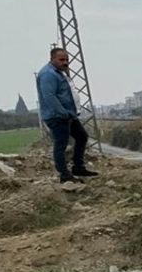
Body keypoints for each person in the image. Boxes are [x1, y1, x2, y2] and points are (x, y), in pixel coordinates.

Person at [36, 47, 97, 183]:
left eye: (67, 60)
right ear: (52, 59)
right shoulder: (48, 74)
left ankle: (78, 167)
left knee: (82, 136)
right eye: (61, 59)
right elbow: (49, 96)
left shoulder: (59, 73)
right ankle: (64, 175)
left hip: (69, 115)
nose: (65, 62)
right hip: (58, 116)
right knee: (61, 144)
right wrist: (63, 113)